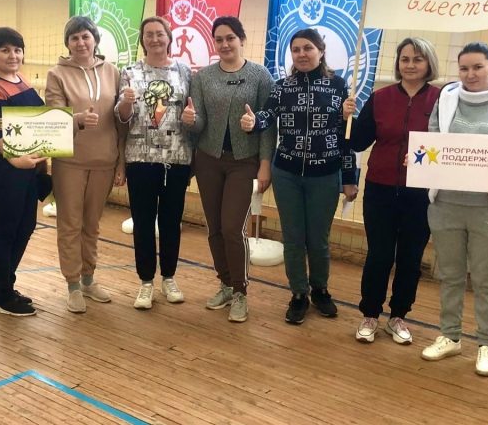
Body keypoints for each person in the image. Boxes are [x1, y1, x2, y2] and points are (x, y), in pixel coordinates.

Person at [416, 42, 488, 376]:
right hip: (446, 204)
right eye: (464, 68)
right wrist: (420, 158)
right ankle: (450, 336)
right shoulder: (446, 97)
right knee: (449, 275)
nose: (470, 74)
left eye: (478, 67)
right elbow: (434, 140)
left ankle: (486, 344)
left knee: (486, 279)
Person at [241, 28, 358, 325]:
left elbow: (347, 137)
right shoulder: (282, 87)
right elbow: (267, 116)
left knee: (318, 240)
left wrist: (349, 177)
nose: (302, 54)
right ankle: (298, 293)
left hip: (326, 174)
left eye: (308, 48)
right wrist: (253, 122)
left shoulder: (338, 86)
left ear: (321, 51)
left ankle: (320, 290)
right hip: (287, 174)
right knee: (293, 238)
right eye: (296, 49)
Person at [346, 37, 441, 345]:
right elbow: (357, 142)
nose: (410, 65)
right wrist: (346, 118)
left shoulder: (442, 99)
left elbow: (449, 144)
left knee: (411, 258)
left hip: (421, 194)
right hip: (380, 190)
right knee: (379, 255)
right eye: (405, 59)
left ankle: (398, 316)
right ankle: (370, 314)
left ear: (428, 63)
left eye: (417, 59)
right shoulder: (380, 97)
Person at [184, 16, 275, 324]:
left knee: (232, 228)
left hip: (244, 161)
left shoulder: (260, 75)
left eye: (230, 38)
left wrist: (265, 164)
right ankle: (224, 284)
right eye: (219, 39)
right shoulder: (203, 77)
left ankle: (240, 291)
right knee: (214, 228)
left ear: (241, 40)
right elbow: (199, 122)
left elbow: (267, 124)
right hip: (208, 160)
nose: (224, 44)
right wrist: (190, 120)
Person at [45, 16, 125, 313]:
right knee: (70, 225)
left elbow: (122, 121)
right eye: (74, 38)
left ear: (95, 40)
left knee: (92, 225)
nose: (80, 42)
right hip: (70, 161)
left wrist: (121, 162)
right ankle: (73, 285)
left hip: (105, 161)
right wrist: (77, 119)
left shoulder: (113, 72)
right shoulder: (57, 74)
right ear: (67, 43)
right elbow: (53, 115)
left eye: (85, 36)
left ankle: (89, 279)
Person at [116, 17, 194, 310]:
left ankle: (169, 278)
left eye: (160, 33)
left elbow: (192, 112)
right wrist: (126, 102)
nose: (155, 39)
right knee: (143, 223)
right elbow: (122, 116)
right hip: (141, 159)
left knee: (172, 222)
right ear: (143, 40)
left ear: (169, 38)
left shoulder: (184, 71)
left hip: (176, 159)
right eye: (148, 34)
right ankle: (146, 281)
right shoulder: (129, 72)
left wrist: (192, 118)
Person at [0, 27, 49, 317]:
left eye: (17, 50)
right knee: (3, 231)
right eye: (5, 50)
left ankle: (3, 284)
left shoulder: (21, 80)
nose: (12, 55)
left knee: (25, 226)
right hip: (3, 170)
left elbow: (38, 122)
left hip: (27, 168)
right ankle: (2, 296)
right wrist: (15, 159)